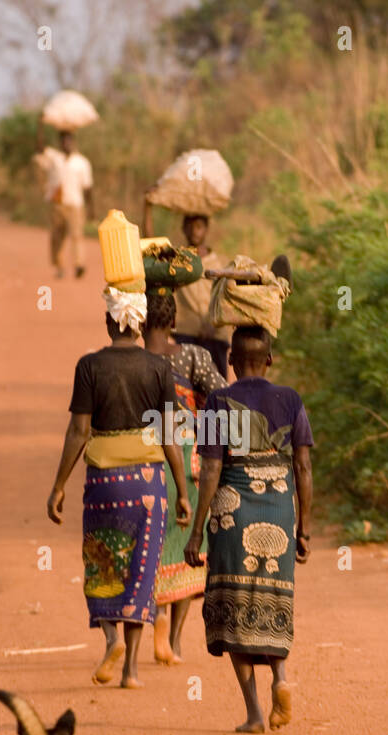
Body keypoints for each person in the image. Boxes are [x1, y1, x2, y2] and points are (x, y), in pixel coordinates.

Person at [185, 258, 312, 733]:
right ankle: (281, 674)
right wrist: (304, 528)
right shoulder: (291, 400)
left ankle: (255, 713)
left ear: (231, 363)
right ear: (270, 361)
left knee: (233, 608)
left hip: (231, 512)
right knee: (273, 600)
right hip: (278, 507)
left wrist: (196, 532)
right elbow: (303, 466)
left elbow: (212, 467)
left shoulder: (219, 401)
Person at [47, 286, 191, 688]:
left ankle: (111, 639)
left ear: (109, 321)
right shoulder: (159, 368)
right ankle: (131, 672)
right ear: (141, 324)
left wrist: (58, 485)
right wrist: (181, 490)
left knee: (104, 563)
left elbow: (79, 431)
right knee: (142, 572)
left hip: (105, 483)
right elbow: (168, 436)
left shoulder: (89, 366)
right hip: (148, 484)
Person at [140, 258, 225, 664]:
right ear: (174, 320)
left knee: (152, 542)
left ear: (140, 322)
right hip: (186, 456)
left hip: (143, 456)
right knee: (190, 544)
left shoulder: (131, 360)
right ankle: (173, 640)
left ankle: (153, 615)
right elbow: (220, 399)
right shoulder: (192, 356)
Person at [142, 204, 230, 378]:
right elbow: (150, 246)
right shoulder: (177, 261)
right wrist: (148, 208)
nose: (194, 231)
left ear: (206, 229)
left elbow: (225, 300)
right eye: (190, 226)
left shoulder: (219, 263)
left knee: (217, 393)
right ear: (183, 228)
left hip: (214, 336)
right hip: (186, 334)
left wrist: (213, 324)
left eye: (199, 227)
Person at [33, 127, 93, 279]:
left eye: (69, 140)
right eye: (63, 140)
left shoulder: (82, 162)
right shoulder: (54, 158)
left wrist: (91, 208)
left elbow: (87, 187)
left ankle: (79, 264)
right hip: (57, 203)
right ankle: (59, 266)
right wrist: (41, 125)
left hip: (75, 203)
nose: (66, 143)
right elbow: (39, 149)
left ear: (73, 142)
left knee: (77, 235)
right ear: (60, 143)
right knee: (57, 236)